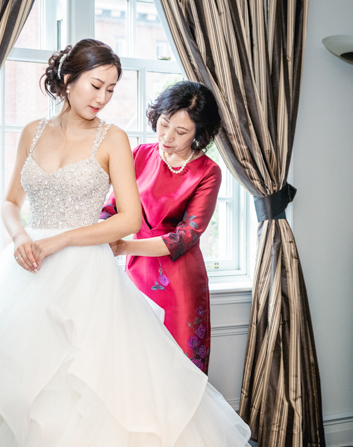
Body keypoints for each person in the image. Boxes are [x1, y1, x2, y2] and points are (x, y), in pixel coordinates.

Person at [0, 39, 250, 446]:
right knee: (21, 386)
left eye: (111, 89)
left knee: (92, 387)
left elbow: (130, 220)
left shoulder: (114, 139)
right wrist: (21, 235)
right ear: (67, 78)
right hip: (29, 269)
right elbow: (9, 202)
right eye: (96, 86)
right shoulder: (32, 132)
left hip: (90, 274)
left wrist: (62, 241)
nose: (103, 98)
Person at [100, 81, 222, 374]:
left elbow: (186, 236)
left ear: (199, 133)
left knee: (177, 369)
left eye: (181, 132)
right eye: (164, 124)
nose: (167, 137)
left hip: (180, 279)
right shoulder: (140, 154)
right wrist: (98, 234)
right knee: (135, 363)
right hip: (137, 273)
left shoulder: (208, 171)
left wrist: (123, 246)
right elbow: (111, 207)